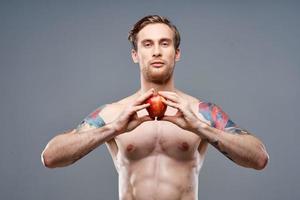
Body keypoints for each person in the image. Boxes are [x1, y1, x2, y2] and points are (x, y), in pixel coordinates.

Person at [41, 15, 269, 200]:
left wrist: (199, 127)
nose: (157, 51)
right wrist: (114, 129)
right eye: (147, 44)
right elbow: (50, 157)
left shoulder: (200, 112)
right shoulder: (113, 113)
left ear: (176, 53)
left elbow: (259, 158)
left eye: (165, 43)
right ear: (135, 55)